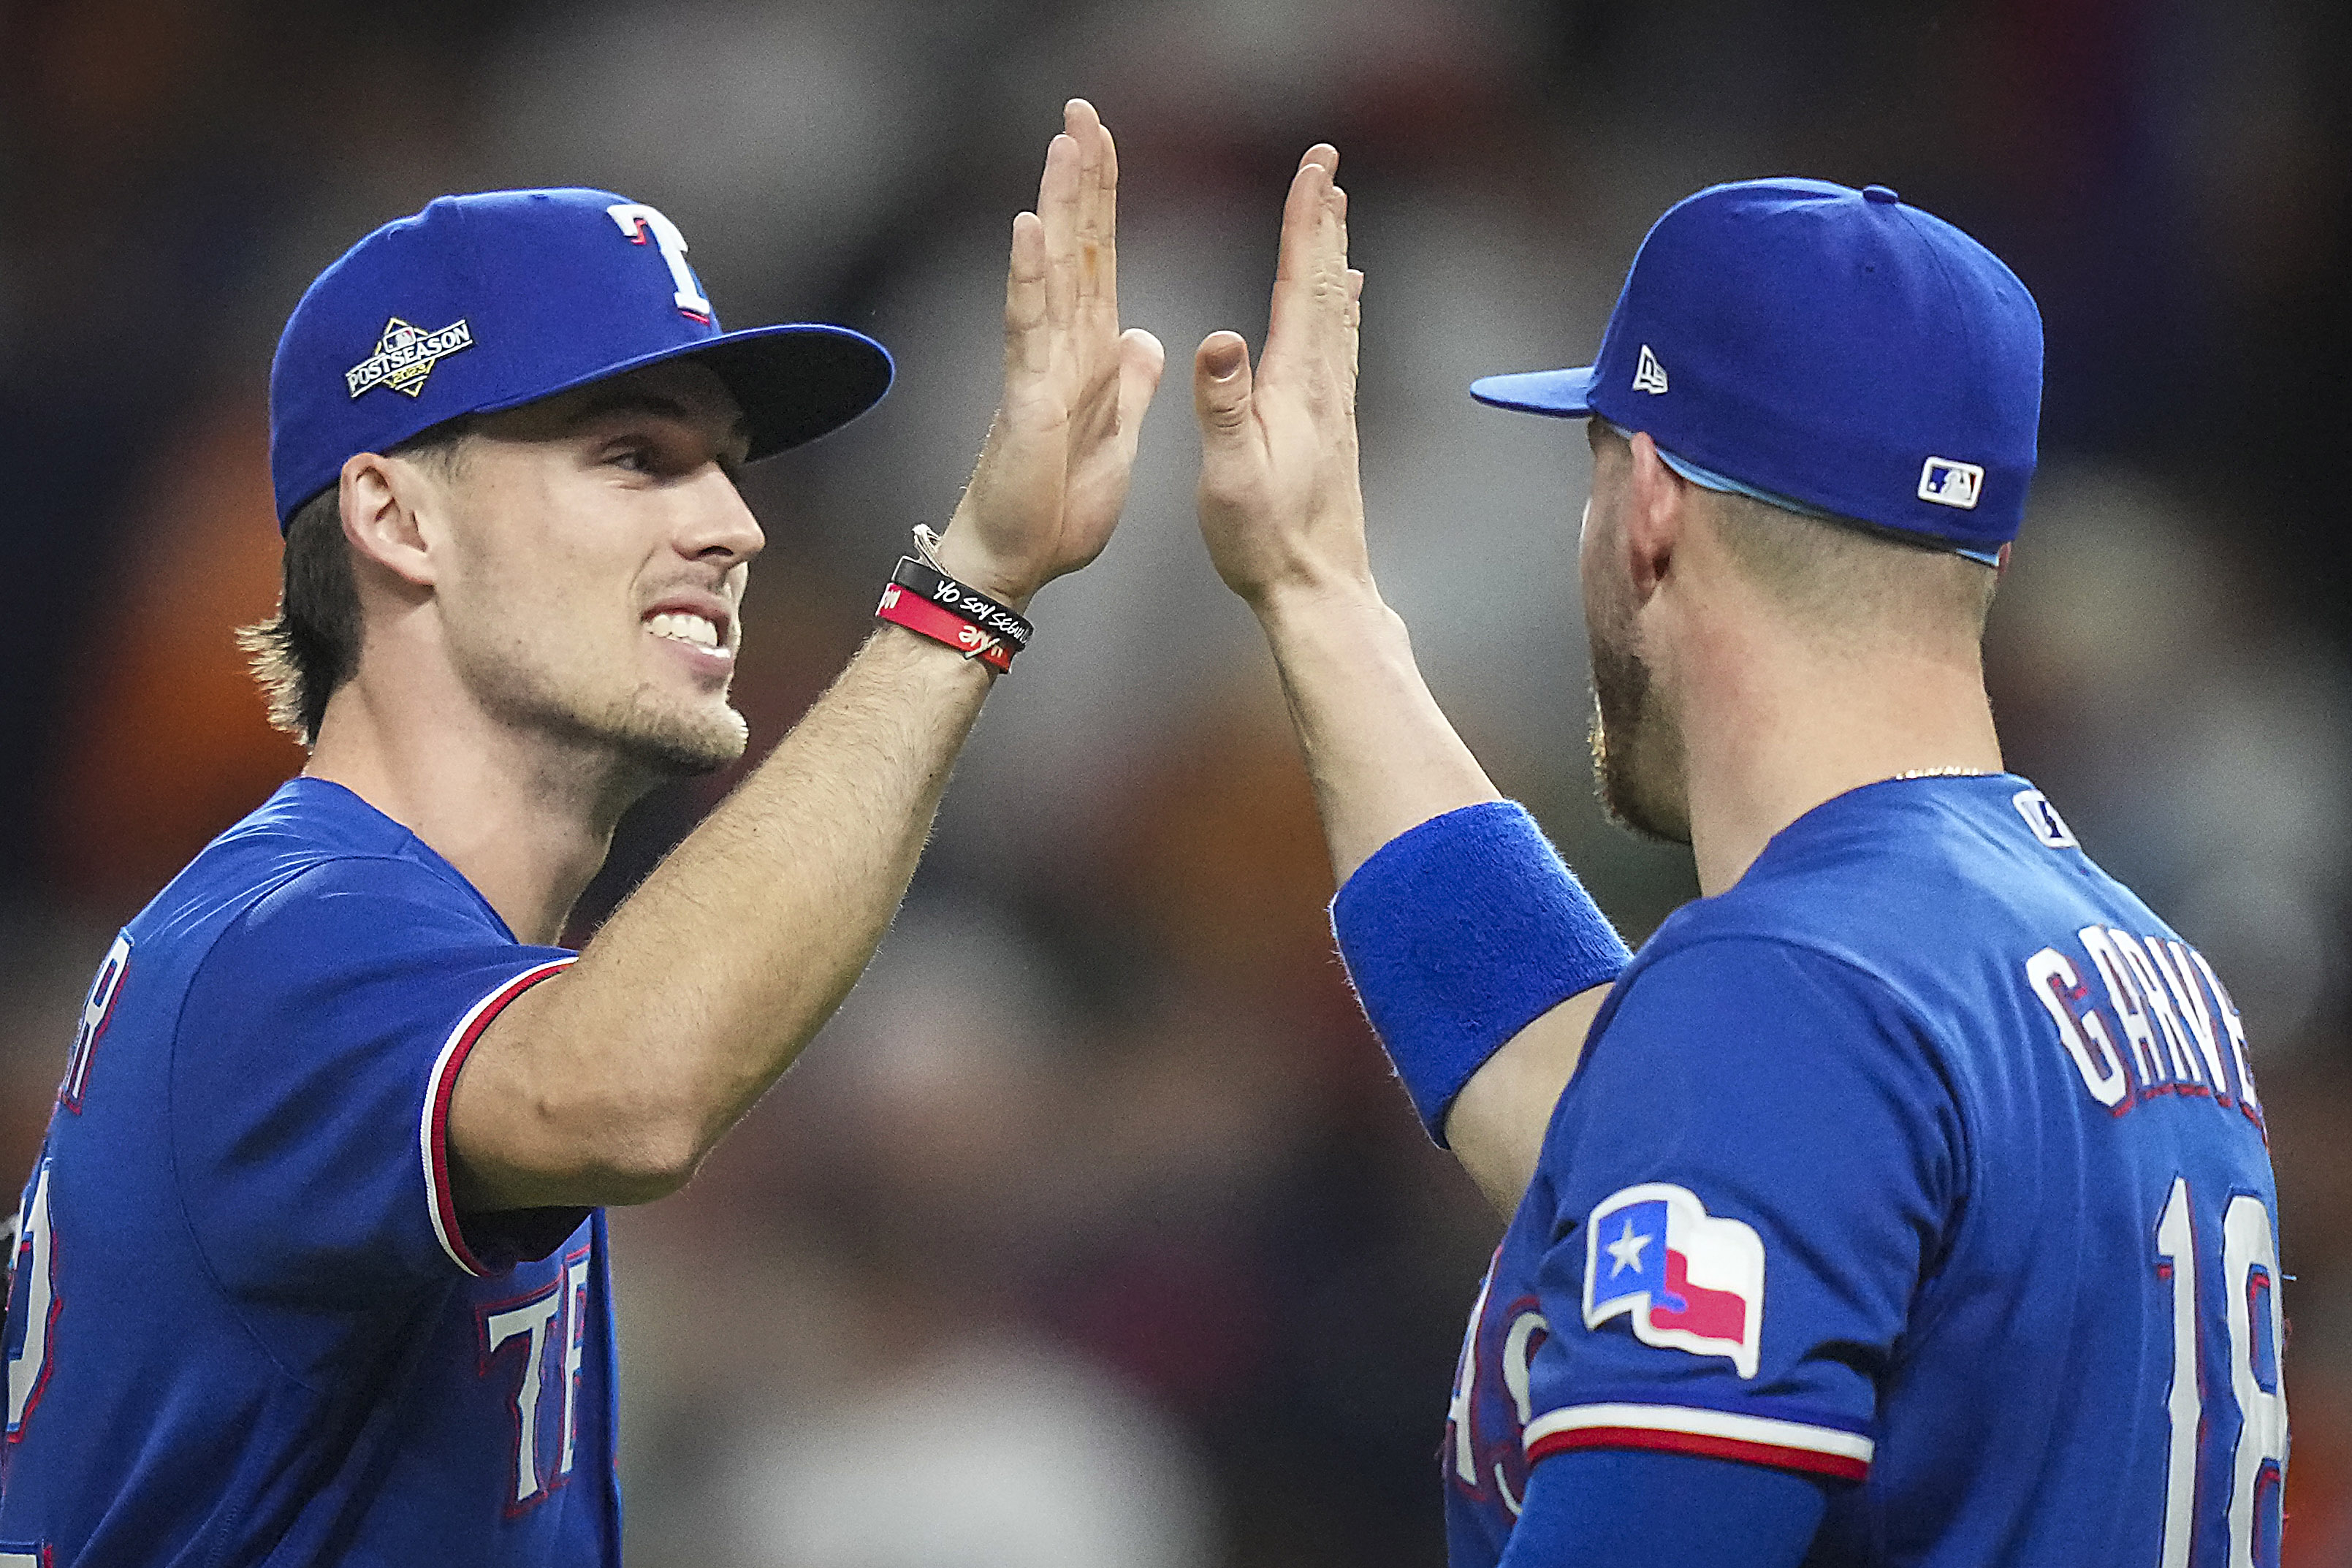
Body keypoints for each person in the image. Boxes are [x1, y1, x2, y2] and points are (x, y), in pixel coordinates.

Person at [0, 99, 1163, 1561]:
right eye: (633, 454)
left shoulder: (423, 954)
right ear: (395, 518)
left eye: (727, 462)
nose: (734, 523)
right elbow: (630, 1085)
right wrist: (969, 591)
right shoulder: (296, 932)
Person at [1191, 151, 2286, 1565]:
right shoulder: (2121, 962)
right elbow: (1595, 1115)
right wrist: (1312, 591)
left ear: (1649, 496)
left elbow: (1738, 1082)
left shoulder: (1794, 991)